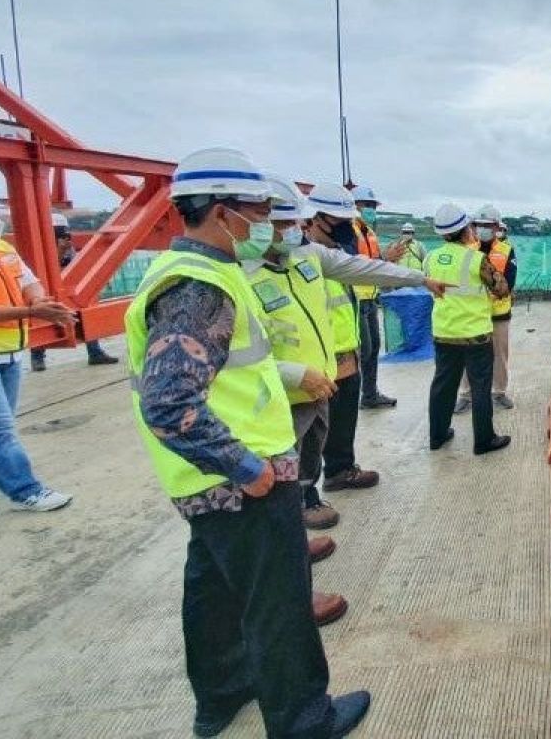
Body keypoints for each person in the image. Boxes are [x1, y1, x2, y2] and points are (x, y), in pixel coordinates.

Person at [123, 148, 369, 739]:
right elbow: (169, 400)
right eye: (260, 209)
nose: (269, 223)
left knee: (212, 592)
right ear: (222, 211)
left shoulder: (200, 271)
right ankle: (305, 719)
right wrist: (246, 466)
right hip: (237, 476)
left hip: (204, 480)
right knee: (278, 602)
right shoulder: (197, 287)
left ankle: (223, 695)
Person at [257, 177, 441, 533]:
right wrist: (296, 374)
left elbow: (365, 269)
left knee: (313, 444)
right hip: (284, 385)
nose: (292, 230)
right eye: (283, 224)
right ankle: (292, 522)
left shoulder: (306, 257)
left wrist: (418, 278)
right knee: (283, 458)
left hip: (322, 369)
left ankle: (307, 500)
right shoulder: (243, 275)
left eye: (293, 222)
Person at [303, 183, 392, 515]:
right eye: (339, 220)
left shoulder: (333, 256)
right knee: (310, 430)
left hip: (345, 348)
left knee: (342, 420)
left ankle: (341, 469)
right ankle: (305, 496)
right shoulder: (301, 260)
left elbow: (372, 270)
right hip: (318, 359)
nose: (347, 227)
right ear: (314, 219)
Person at [0, 202, 76, 512]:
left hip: (9, 354)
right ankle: (27, 489)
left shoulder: (2, 249)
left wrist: (40, 300)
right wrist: (31, 311)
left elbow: (29, 282)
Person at [425, 204, 511, 455]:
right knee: (481, 387)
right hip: (475, 335)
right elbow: (501, 288)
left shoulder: (430, 257)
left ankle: (437, 436)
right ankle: (484, 440)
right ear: (465, 230)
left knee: (442, 385)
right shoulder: (476, 259)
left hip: (443, 333)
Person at [30, 212, 118, 371]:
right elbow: (47, 270)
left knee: (85, 311)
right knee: (42, 317)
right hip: (46, 289)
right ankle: (37, 357)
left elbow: (76, 265)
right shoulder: (39, 248)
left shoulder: (68, 248)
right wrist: (59, 251)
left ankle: (95, 352)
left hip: (67, 287)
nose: (63, 236)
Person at [454, 205, 516, 413]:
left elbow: (509, 282)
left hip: (498, 313)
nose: (482, 229)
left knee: (500, 354)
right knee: (468, 355)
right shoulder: (467, 249)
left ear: (497, 227)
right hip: (472, 314)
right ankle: (465, 394)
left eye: (487, 225)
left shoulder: (507, 251)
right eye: (479, 225)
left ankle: (499, 392)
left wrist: (490, 289)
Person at [350, 185, 396, 410]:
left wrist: (387, 260)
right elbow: (352, 265)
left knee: (374, 347)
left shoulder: (370, 233)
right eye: (367, 206)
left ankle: (370, 394)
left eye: (372, 206)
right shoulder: (349, 231)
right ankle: (359, 394)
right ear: (354, 206)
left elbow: (377, 262)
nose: (371, 210)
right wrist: (386, 259)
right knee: (364, 349)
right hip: (355, 299)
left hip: (370, 297)